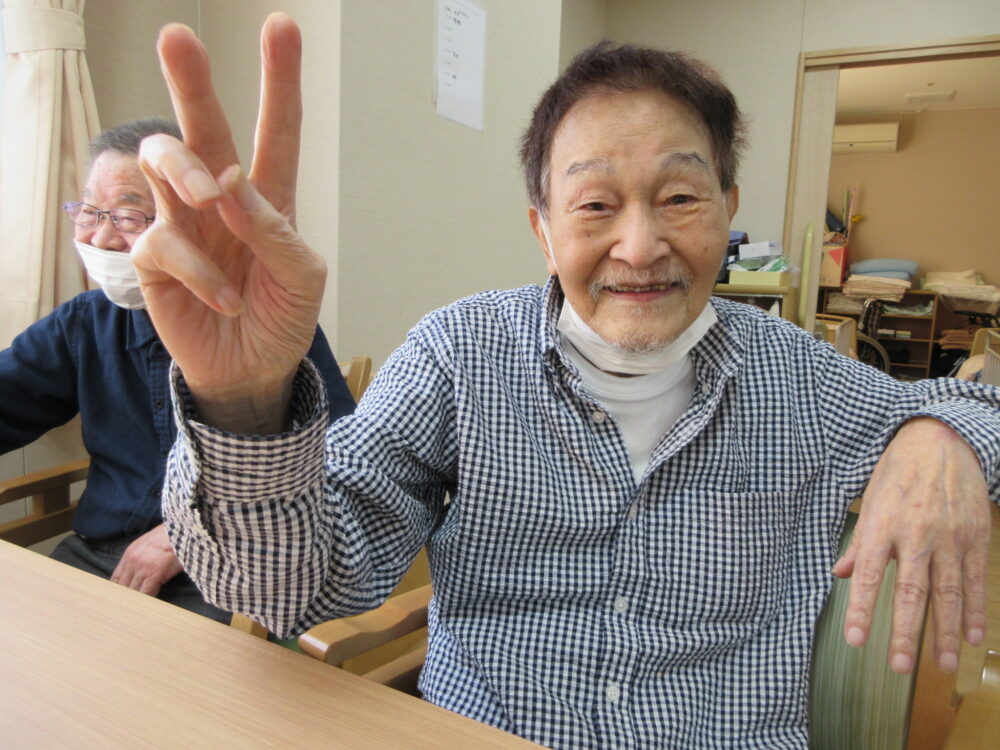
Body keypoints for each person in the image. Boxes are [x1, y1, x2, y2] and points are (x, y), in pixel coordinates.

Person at [134, 16, 998, 748]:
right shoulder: (460, 355)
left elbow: (983, 395)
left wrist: (945, 435)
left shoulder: (804, 380)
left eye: (680, 198)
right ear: (542, 229)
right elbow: (291, 590)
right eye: (594, 206)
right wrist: (241, 405)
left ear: (729, 210)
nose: (639, 246)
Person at [0, 117, 356, 623]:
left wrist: (179, 535)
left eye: (126, 216)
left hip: (226, 570)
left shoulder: (264, 323)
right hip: (97, 556)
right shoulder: (86, 322)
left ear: (194, 226)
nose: (100, 238)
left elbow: (340, 455)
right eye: (89, 211)